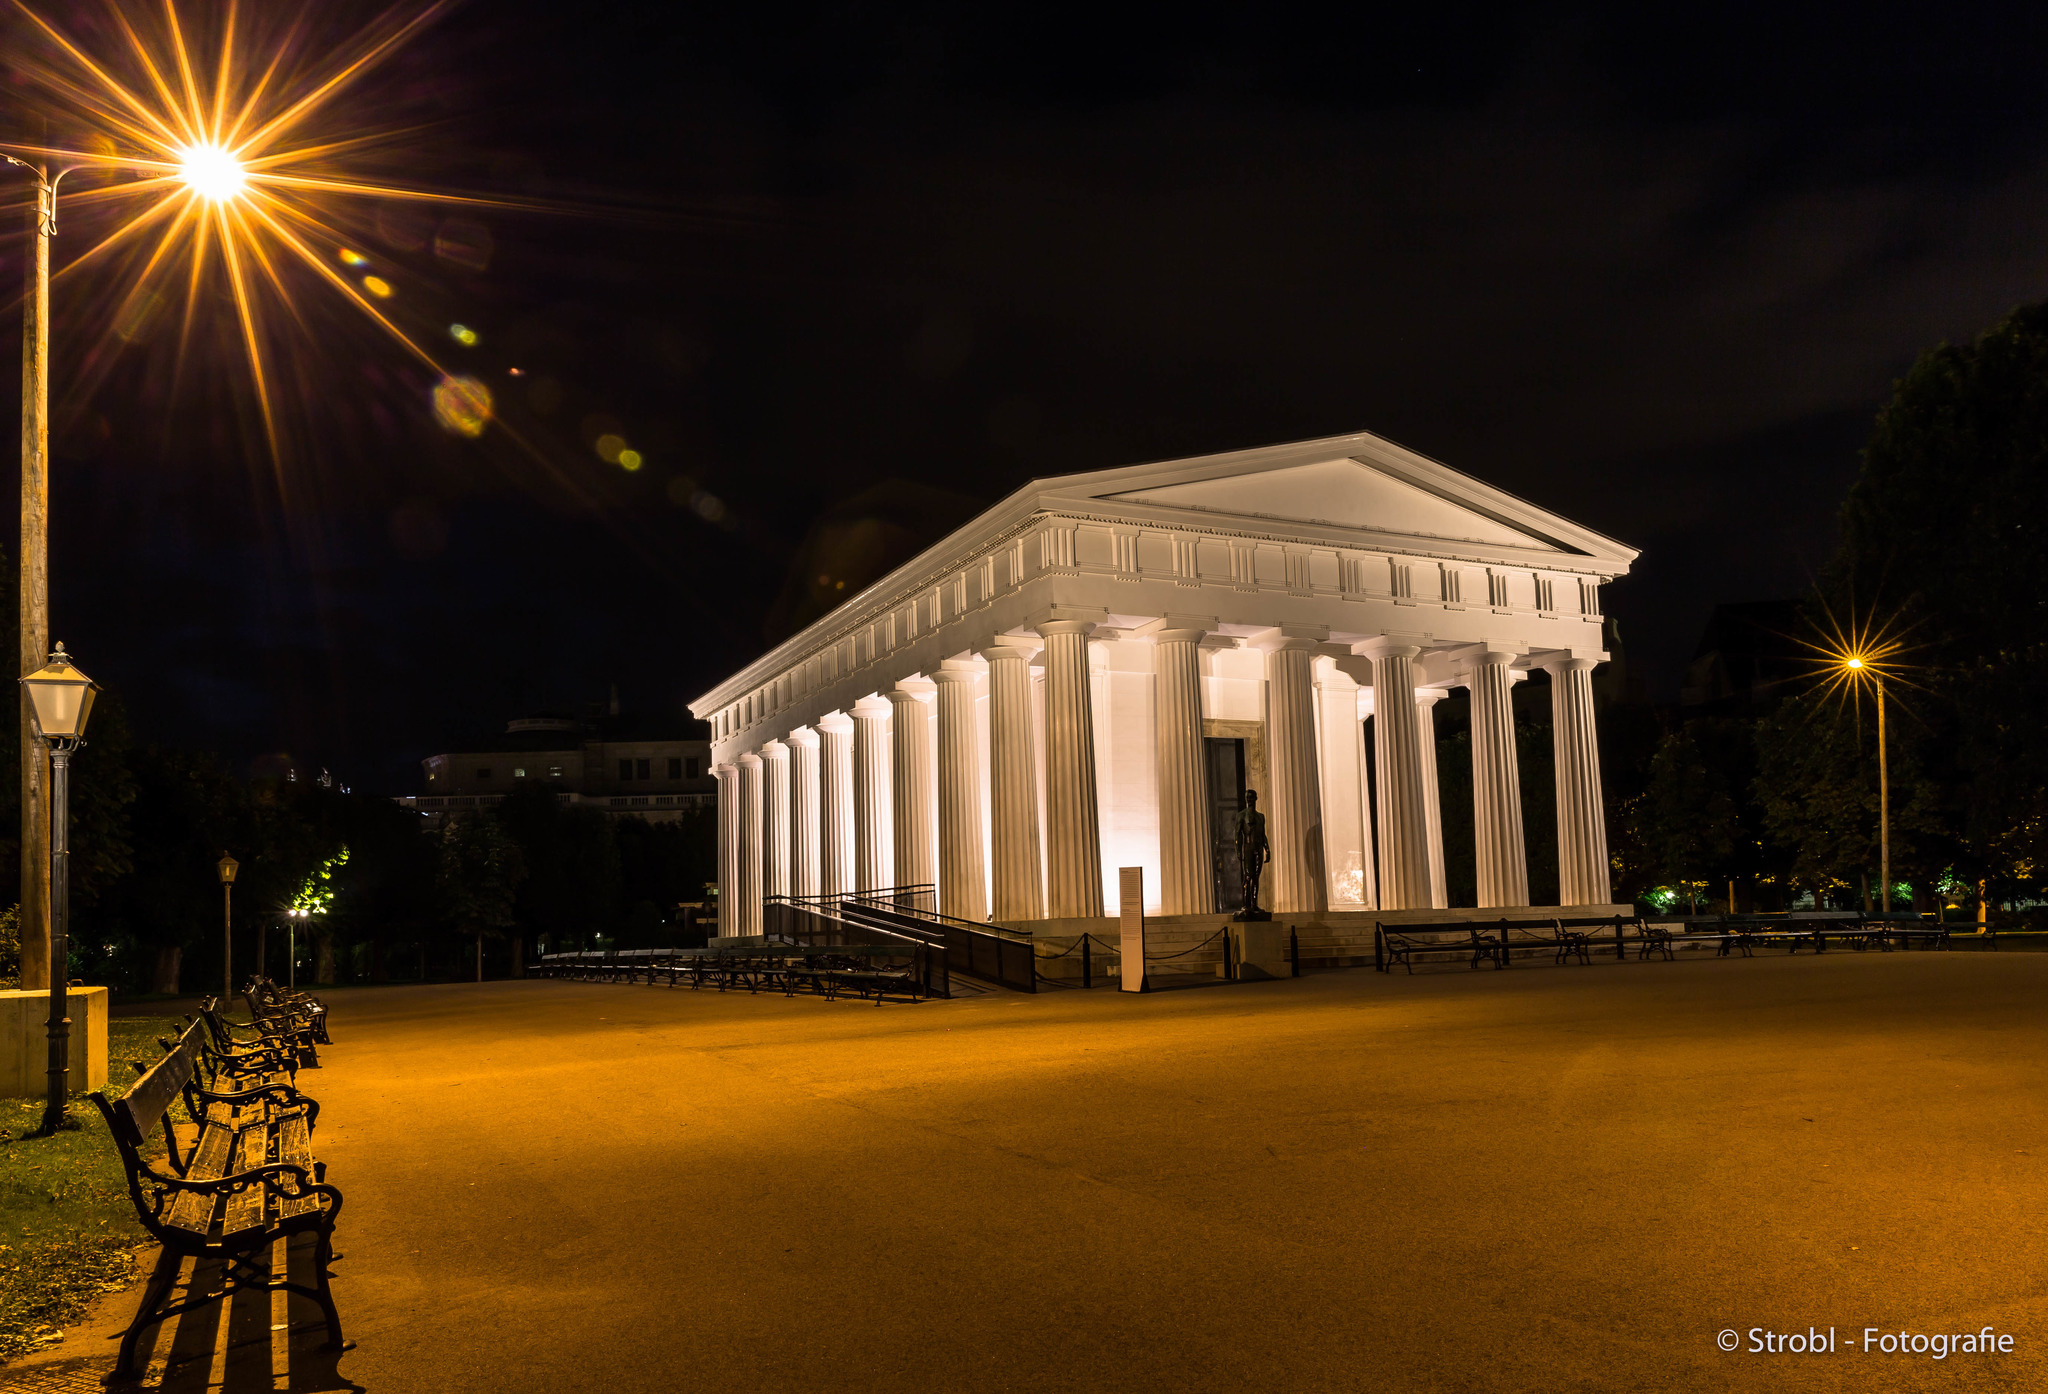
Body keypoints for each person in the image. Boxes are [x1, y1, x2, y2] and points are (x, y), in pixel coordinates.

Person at [1234, 789, 1271, 920]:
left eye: (1251, 797)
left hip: (1258, 850)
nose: (1249, 799)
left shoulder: (1261, 816)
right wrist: (1238, 850)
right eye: (1247, 797)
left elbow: (1262, 834)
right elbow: (1238, 834)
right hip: (1248, 849)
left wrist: (1267, 849)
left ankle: (1254, 905)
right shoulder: (1241, 816)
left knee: (1256, 878)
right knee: (1248, 877)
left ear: (1255, 798)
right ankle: (1246, 905)